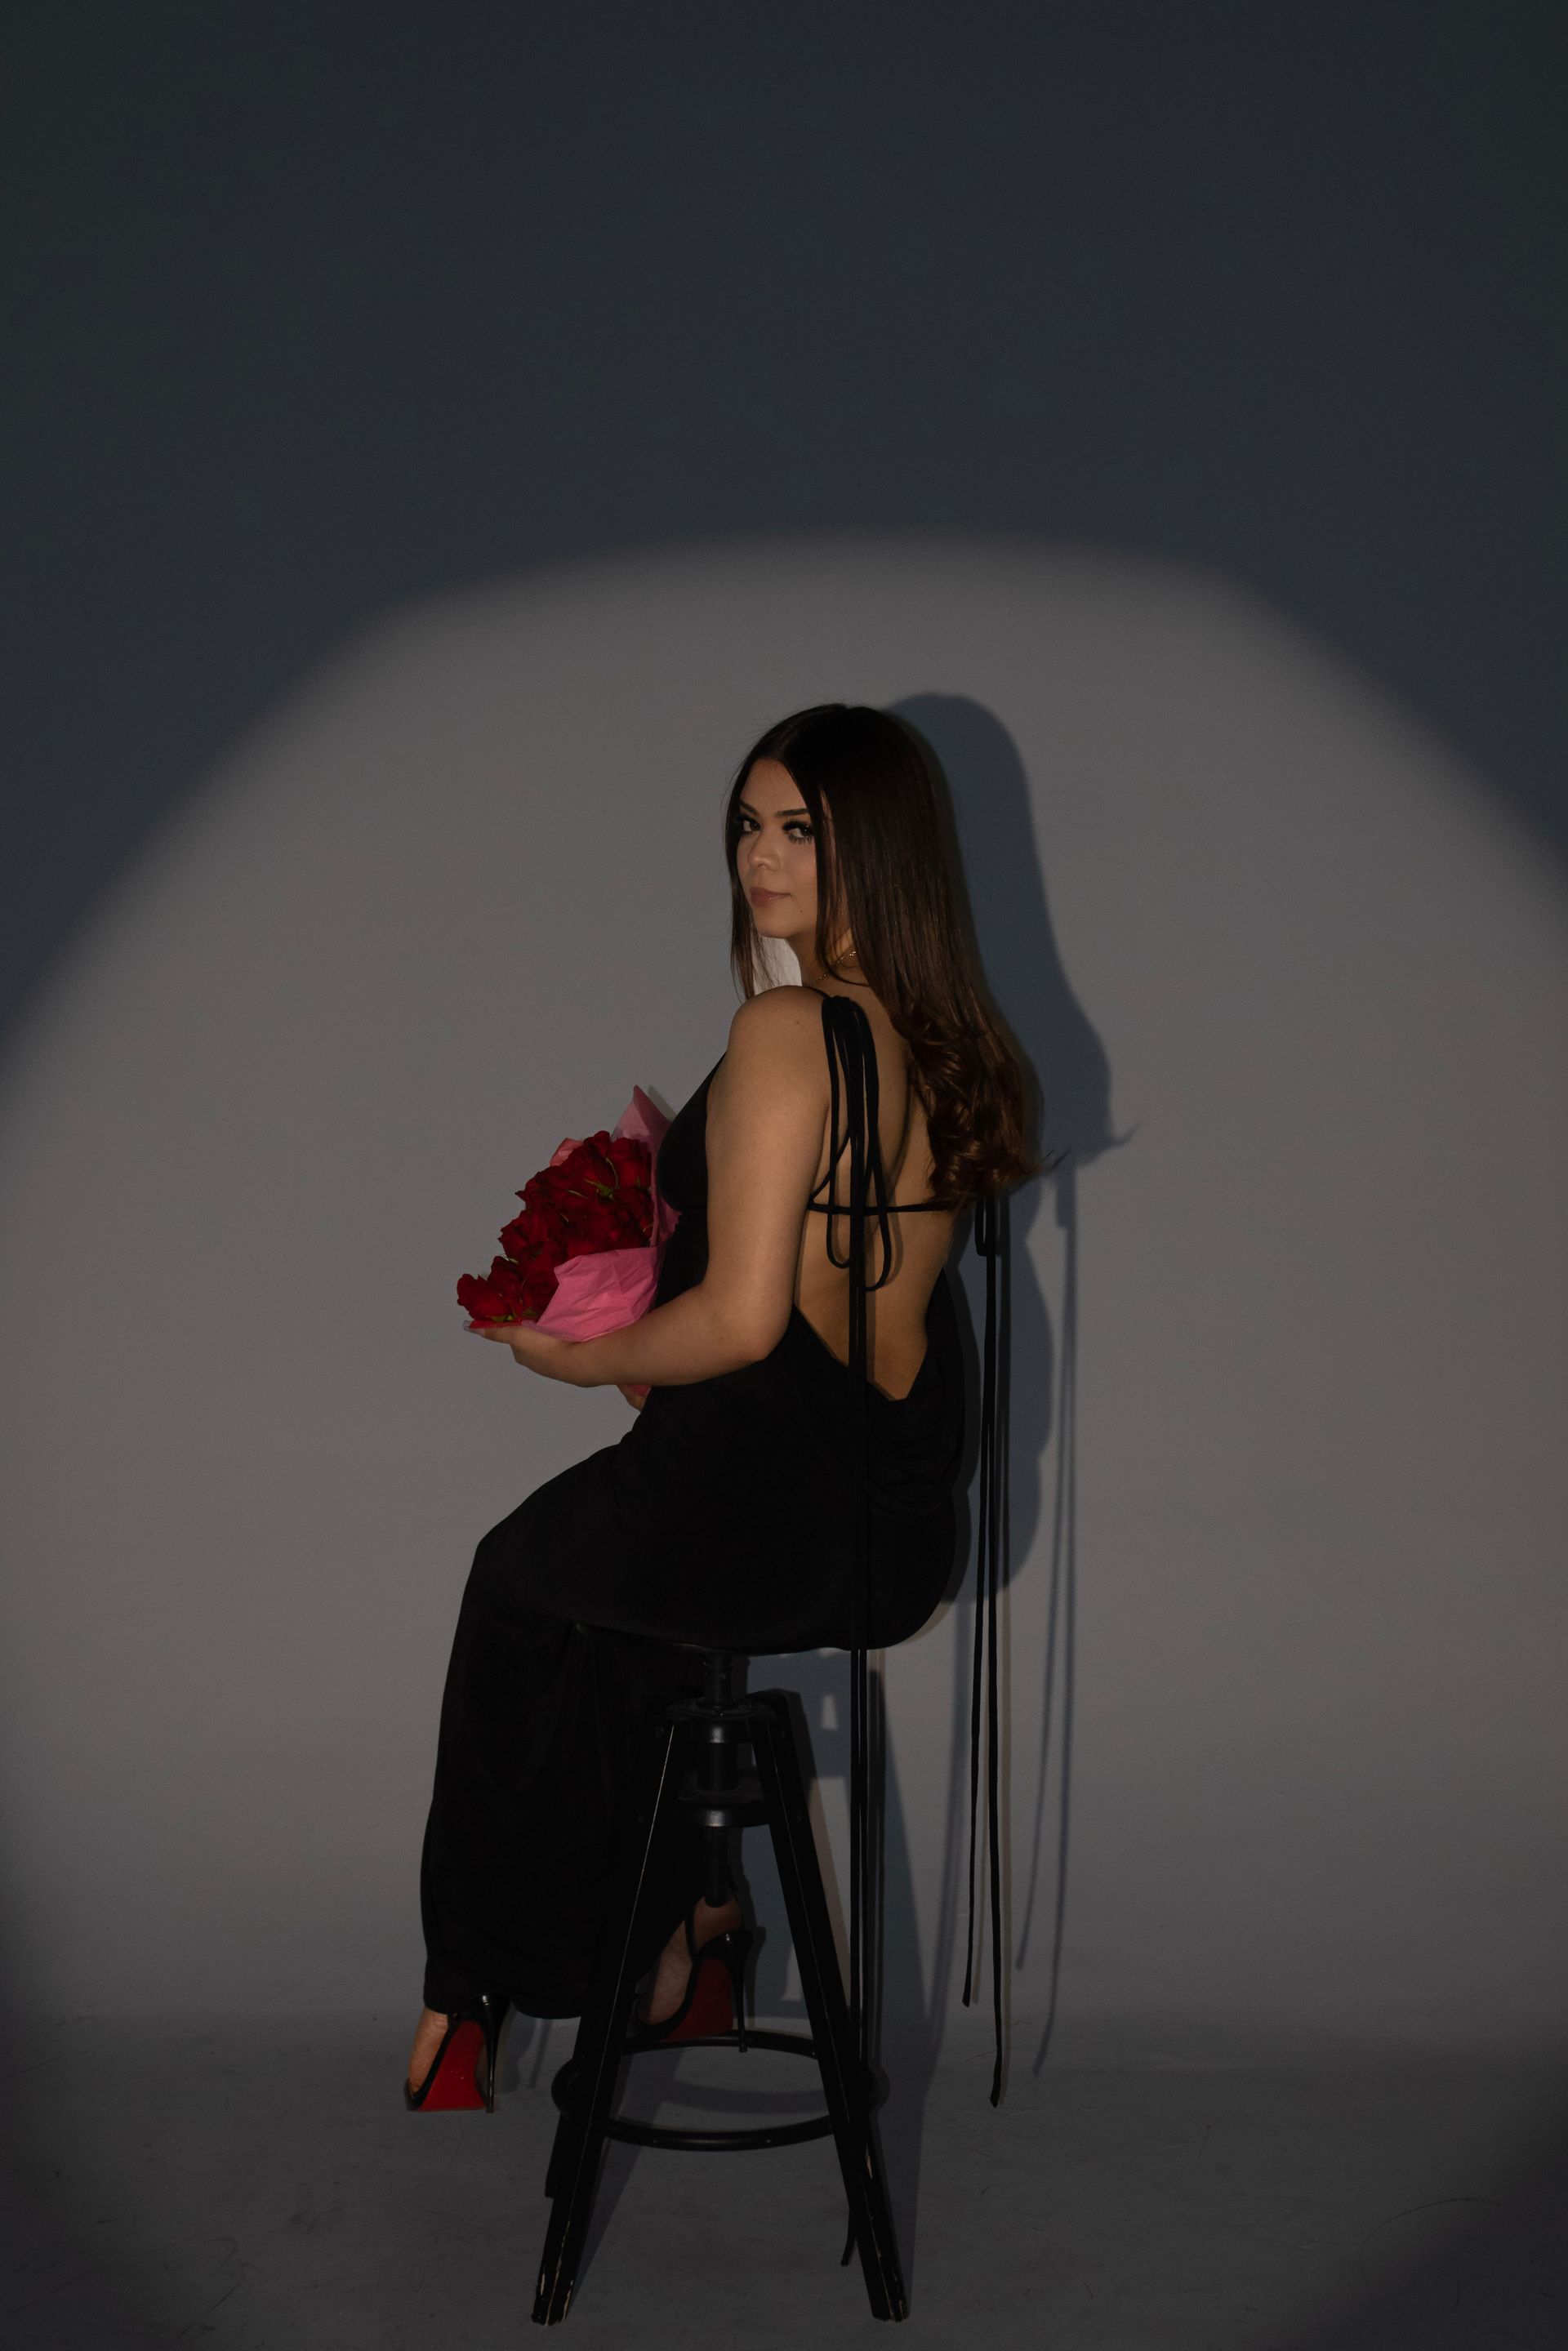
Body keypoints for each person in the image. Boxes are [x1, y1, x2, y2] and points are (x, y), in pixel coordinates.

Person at [405, 701, 1036, 2108]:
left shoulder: (789, 1029)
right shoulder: (935, 1035)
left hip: (766, 1508)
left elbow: (745, 1318)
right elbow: (835, 1295)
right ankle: (696, 1925)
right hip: (887, 1522)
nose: (762, 859)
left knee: (515, 1588)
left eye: (800, 830)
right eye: (748, 826)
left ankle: (474, 1990)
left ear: (875, 845)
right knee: (630, 1612)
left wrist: (565, 1354)